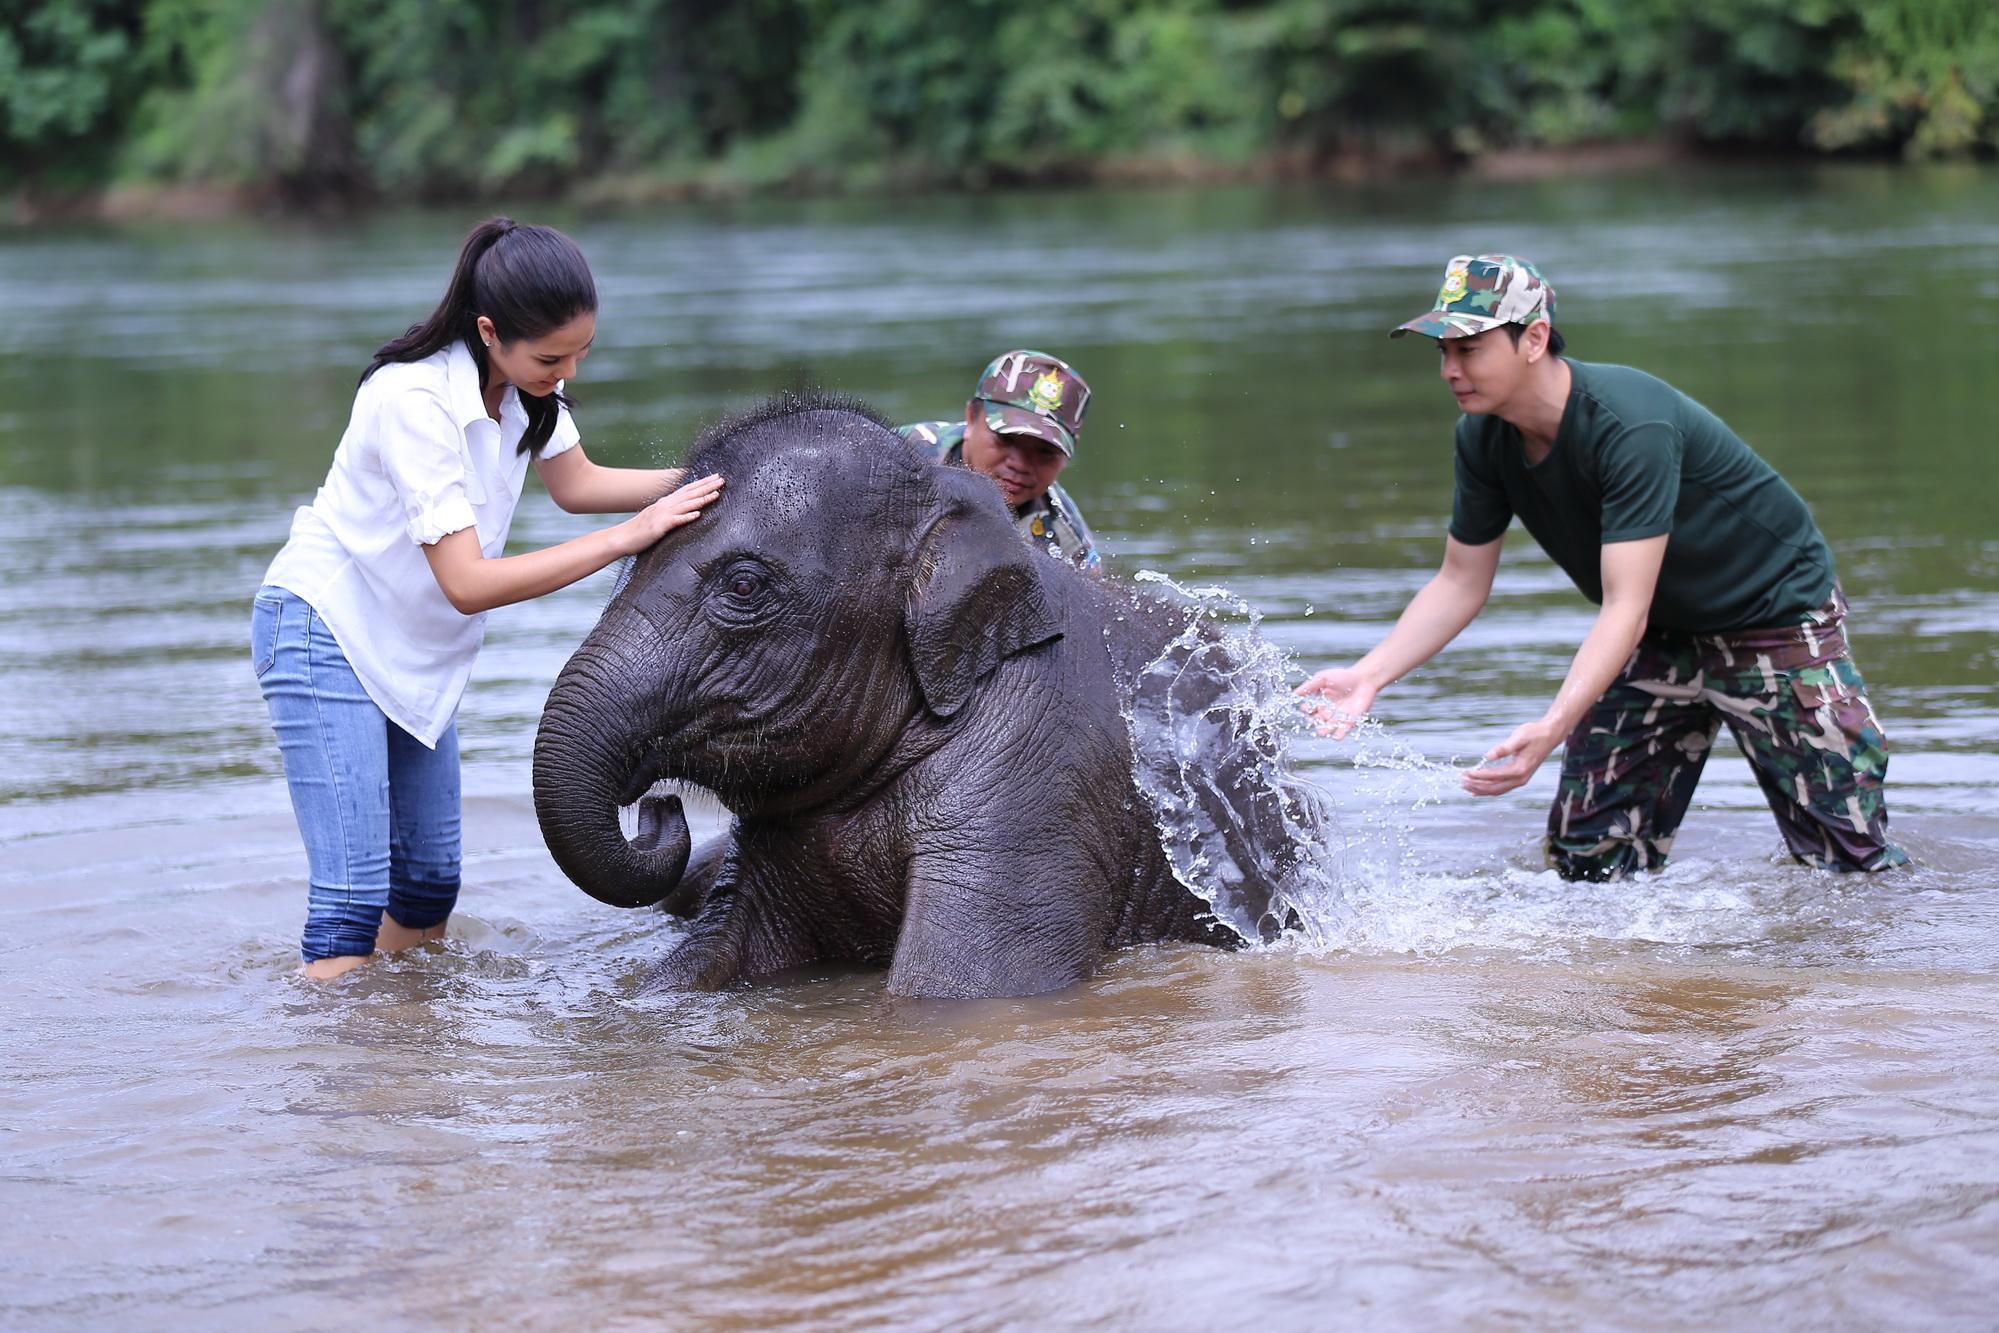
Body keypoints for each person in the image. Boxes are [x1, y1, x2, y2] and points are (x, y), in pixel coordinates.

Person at [1297, 253, 1907, 879]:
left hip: (1773, 619)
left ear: (1533, 338)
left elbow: (1625, 604)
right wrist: (1370, 675)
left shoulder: (1629, 423)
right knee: (1590, 864)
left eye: (1470, 348)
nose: (1451, 370)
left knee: (1850, 866)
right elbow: (1459, 582)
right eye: (1442, 352)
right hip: (1662, 631)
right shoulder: (1482, 436)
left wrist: (1554, 726)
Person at [252, 217, 724, 979]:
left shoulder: (524, 391)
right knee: (349, 901)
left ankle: (407, 1049)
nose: (567, 372)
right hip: (325, 632)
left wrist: (717, 483)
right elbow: (467, 582)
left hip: (413, 645)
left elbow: (578, 486)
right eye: (550, 357)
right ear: (486, 330)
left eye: (580, 352)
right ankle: (336, 1088)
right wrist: (626, 538)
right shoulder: (413, 400)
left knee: (430, 883)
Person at [898, 349, 1101, 570]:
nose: (1020, 464)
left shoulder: (1068, 546)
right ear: (971, 418)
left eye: (1045, 452)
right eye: (1007, 440)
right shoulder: (899, 458)